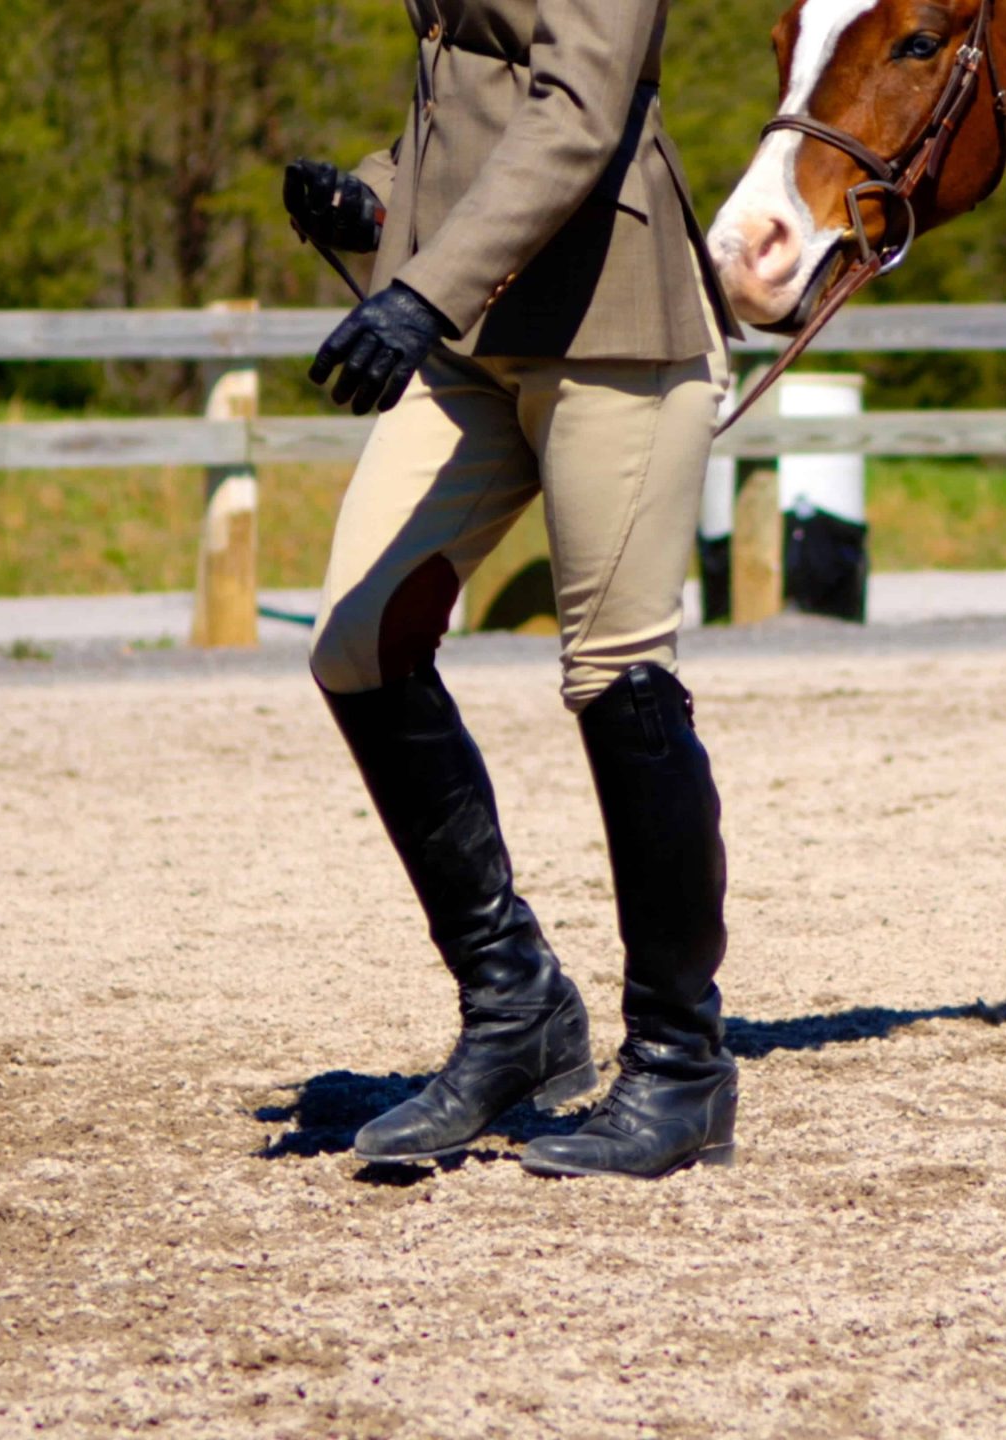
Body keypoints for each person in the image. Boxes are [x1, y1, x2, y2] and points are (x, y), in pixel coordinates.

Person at [281, 0, 741, 1180]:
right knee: (356, 641)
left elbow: (579, 110)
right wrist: (382, 196)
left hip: (611, 326)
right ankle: (516, 1006)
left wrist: (423, 289)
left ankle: (680, 1069)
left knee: (616, 674)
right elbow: (470, 86)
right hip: (469, 335)